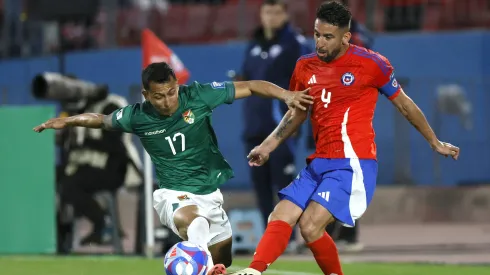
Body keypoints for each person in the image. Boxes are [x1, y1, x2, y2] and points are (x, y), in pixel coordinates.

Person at [229, 2, 460, 275]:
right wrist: (267, 146)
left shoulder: (371, 64)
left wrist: (434, 141)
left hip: (352, 163)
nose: (320, 42)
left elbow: (405, 105)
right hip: (318, 162)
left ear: (345, 37)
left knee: (310, 225)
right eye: (316, 34)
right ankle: (253, 272)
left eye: (328, 37)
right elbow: (296, 114)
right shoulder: (305, 66)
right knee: (279, 215)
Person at [33, 62, 313, 275]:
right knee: (196, 222)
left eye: (171, 92)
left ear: (177, 85)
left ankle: (199, 261)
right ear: (146, 95)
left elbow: (251, 86)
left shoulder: (199, 96)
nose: (167, 101)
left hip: (209, 194)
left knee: (223, 260)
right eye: (158, 97)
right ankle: (191, 260)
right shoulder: (137, 116)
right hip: (172, 193)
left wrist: (286, 95)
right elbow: (102, 119)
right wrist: (68, 122)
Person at [238, 0, 310, 250]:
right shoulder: (253, 45)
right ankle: (269, 238)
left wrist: (298, 121)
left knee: (284, 185)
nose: (270, 17)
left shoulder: (295, 45)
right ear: (261, 13)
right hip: (253, 127)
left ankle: (288, 239)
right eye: (266, 11)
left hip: (281, 129)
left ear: (285, 14)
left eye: (276, 12)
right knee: (260, 187)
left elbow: (304, 86)